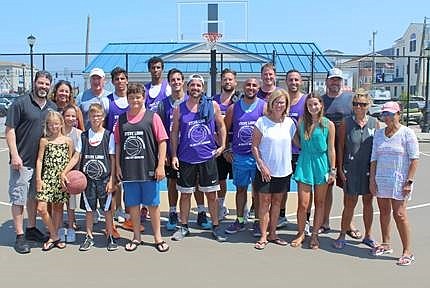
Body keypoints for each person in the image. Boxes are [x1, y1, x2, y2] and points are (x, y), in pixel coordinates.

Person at [170, 74, 227, 242]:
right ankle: (184, 226)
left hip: (207, 157)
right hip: (186, 158)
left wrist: (223, 146)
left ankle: (216, 226)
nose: (195, 88)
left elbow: (221, 126)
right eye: (192, 85)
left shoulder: (212, 105)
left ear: (203, 88)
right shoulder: (179, 108)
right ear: (188, 87)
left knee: (211, 195)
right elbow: (174, 133)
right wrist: (173, 155)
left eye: (198, 85)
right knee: (185, 195)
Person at [6, 70, 57, 254]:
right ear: (34, 83)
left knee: (33, 198)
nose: (43, 86)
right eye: (40, 83)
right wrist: (15, 155)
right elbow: (10, 130)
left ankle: (32, 228)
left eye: (46, 84)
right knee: (19, 198)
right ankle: (20, 236)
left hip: (41, 163)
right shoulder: (20, 103)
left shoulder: (52, 106)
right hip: (23, 160)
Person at [114, 82, 169, 252]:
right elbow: (117, 144)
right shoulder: (122, 119)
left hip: (149, 168)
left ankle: (158, 238)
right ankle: (136, 237)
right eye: (131, 97)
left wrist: (160, 165)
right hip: (129, 169)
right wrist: (117, 166)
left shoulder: (153, 117)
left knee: (153, 205)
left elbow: (162, 141)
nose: (135, 100)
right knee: (133, 206)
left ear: (143, 98)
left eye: (138, 97)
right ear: (127, 99)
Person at [61, 103, 117, 251]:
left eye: (98, 115)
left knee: (107, 210)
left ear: (103, 117)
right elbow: (76, 156)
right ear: (89, 118)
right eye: (93, 116)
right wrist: (65, 171)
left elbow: (113, 159)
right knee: (89, 210)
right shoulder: (84, 136)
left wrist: (112, 179)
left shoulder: (108, 135)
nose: (96, 118)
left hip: (104, 179)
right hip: (88, 180)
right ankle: (89, 236)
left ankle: (109, 235)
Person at [157, 68, 208, 231]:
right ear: (169, 82)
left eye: (179, 79)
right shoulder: (163, 104)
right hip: (172, 151)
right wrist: (163, 153)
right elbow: (161, 129)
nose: (176, 82)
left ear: (183, 82)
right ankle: (173, 212)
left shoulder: (193, 100)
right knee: (172, 183)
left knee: (197, 182)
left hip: (191, 149)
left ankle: (201, 211)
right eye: (173, 80)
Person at [369, 101, 419, 266]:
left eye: (391, 114)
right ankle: (385, 243)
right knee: (384, 212)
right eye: (385, 114)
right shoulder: (378, 134)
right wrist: (372, 180)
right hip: (381, 179)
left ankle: (407, 251)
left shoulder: (407, 133)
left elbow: (414, 159)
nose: (388, 117)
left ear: (398, 114)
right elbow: (374, 158)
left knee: (400, 214)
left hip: (400, 180)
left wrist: (409, 181)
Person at [332, 88, 379, 249]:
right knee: (349, 203)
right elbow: (340, 146)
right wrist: (339, 169)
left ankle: (368, 235)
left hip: (368, 170)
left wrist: (376, 172)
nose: (359, 107)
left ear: (368, 105)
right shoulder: (346, 122)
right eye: (356, 104)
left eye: (362, 104)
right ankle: (342, 234)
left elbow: (378, 148)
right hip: (350, 169)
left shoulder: (375, 123)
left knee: (368, 202)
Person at [251, 89, 295, 250]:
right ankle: (263, 235)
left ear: (286, 105)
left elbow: (297, 142)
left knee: (277, 202)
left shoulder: (290, 123)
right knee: (264, 203)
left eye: (282, 102)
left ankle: (273, 233)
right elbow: (254, 146)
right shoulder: (262, 122)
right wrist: (262, 165)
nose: (279, 105)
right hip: (265, 171)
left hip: (283, 171)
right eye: (276, 102)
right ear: (271, 103)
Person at [292, 93, 336, 249]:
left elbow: (331, 149)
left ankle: (315, 235)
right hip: (305, 162)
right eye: (310, 105)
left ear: (321, 105)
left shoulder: (328, 124)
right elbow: (295, 138)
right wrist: (302, 147)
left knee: (320, 202)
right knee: (303, 204)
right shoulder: (302, 121)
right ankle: (301, 233)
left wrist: (332, 170)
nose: (313, 107)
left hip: (321, 164)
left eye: (315, 104)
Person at [224, 78, 265, 235]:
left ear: (258, 87)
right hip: (239, 157)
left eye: (254, 85)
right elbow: (224, 130)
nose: (251, 87)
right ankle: (240, 220)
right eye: (248, 85)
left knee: (257, 191)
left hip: (257, 157)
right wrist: (227, 149)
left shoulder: (264, 106)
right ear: (243, 86)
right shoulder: (233, 108)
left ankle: (257, 221)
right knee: (241, 190)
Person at [320, 68, 357, 236]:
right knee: (326, 188)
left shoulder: (351, 99)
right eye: (332, 79)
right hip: (325, 152)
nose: (335, 82)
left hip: (346, 152)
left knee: (349, 190)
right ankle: (324, 222)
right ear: (327, 81)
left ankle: (349, 224)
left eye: (338, 80)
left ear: (342, 82)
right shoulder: (320, 101)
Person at [35, 111, 73, 251]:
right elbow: (39, 160)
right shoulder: (44, 141)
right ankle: (55, 235)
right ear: (47, 125)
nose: (54, 127)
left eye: (56, 124)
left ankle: (53, 236)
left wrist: (67, 178)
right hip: (47, 178)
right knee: (41, 208)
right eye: (51, 124)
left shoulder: (68, 141)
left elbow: (70, 161)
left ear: (61, 124)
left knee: (58, 208)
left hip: (61, 180)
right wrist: (39, 179)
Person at [277, 69, 307, 231]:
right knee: (282, 187)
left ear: (301, 82)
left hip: (302, 153)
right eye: (290, 80)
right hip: (283, 153)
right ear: (286, 82)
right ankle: (281, 216)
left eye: (296, 80)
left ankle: (306, 220)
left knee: (304, 188)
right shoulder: (281, 100)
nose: (293, 82)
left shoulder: (307, 100)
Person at [213, 68, 240, 220]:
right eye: (225, 79)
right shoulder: (213, 101)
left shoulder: (240, 100)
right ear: (221, 81)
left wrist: (230, 147)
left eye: (230, 79)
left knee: (240, 181)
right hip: (220, 147)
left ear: (235, 82)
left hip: (237, 148)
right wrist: (222, 146)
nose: (228, 81)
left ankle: (242, 209)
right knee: (220, 179)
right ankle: (221, 206)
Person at [105, 67, 129, 230]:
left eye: (122, 78)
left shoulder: (133, 98)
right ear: (112, 82)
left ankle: (130, 211)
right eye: (117, 79)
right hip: (114, 146)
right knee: (116, 181)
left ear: (127, 80)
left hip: (131, 145)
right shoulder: (107, 101)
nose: (120, 82)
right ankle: (117, 209)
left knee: (130, 181)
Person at [61, 104, 83, 243]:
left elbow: (77, 155)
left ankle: (70, 226)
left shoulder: (79, 134)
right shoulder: (57, 131)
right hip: (57, 172)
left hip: (71, 173)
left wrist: (67, 171)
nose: (70, 118)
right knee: (57, 202)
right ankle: (57, 227)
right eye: (67, 115)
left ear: (76, 118)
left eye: (73, 116)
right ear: (63, 117)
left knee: (71, 202)